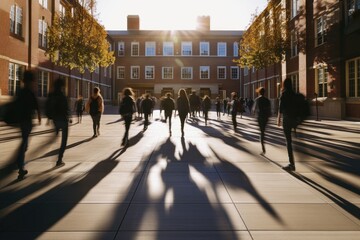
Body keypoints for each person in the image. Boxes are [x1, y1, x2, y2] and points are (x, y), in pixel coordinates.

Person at [16, 70, 41, 179]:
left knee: (24, 142)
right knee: (24, 143)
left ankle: (20, 162)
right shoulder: (30, 92)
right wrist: (39, 116)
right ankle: (20, 166)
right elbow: (36, 105)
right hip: (27, 121)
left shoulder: (21, 92)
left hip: (22, 120)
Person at [46, 78, 70, 167]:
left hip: (55, 120)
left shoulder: (51, 95)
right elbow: (66, 108)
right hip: (63, 120)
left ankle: (57, 158)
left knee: (55, 138)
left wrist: (49, 119)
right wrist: (69, 117)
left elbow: (48, 107)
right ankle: (59, 159)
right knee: (64, 141)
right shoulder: (62, 96)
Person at [277, 78, 297, 171]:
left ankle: (291, 164)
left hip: (287, 119)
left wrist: (278, 120)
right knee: (291, 140)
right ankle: (292, 163)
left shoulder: (284, 94)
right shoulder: (294, 94)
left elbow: (280, 109)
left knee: (288, 141)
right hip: (294, 119)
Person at [253, 87, 271, 155]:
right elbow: (269, 110)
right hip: (265, 117)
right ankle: (262, 144)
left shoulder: (257, 99)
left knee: (261, 132)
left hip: (260, 117)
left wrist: (255, 114)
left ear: (259, 92)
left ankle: (263, 148)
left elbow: (254, 109)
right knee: (263, 131)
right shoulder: (267, 100)